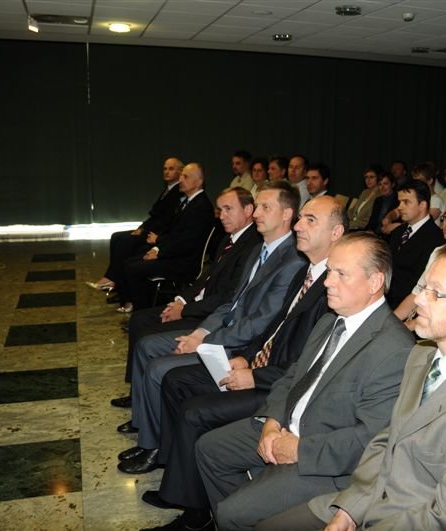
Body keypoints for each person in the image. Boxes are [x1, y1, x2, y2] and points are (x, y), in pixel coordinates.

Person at [258, 244, 446, 531]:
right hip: (368, 502)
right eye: (424, 288)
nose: (419, 300)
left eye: (436, 293)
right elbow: (387, 441)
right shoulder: (422, 358)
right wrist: (349, 511)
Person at [139, 196, 346, 531]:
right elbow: (271, 327)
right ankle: (182, 485)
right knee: (178, 382)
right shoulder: (305, 272)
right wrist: (245, 356)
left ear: (336, 233)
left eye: (310, 220)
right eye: (300, 218)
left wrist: (256, 375)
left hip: (276, 384)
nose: (297, 226)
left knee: (194, 411)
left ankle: (196, 513)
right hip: (261, 365)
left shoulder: (333, 289)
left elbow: (308, 365)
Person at [195, 233, 414, 530]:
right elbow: (292, 376)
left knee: (232, 513)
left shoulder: (395, 349)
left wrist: (299, 449)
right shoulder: (330, 321)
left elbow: (369, 441)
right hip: (286, 426)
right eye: (329, 271)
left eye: (341, 274)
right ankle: (251, 510)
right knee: (208, 449)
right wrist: (272, 421)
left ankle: (245, 513)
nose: (327, 282)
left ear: (374, 282)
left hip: (325, 461)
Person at [116, 181, 307, 473]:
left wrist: (206, 342)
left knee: (158, 370)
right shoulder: (259, 250)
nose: (256, 213)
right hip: (223, 332)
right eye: (257, 206)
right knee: (148, 346)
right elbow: (231, 303)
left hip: (242, 346)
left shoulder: (291, 260)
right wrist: (200, 333)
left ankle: (156, 448)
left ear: (286, 214)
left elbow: (261, 322)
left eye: (265, 207)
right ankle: (149, 436)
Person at [110, 187, 261, 408]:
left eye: (228, 209)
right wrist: (180, 300)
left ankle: (141, 398)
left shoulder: (252, 245)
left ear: (248, 210)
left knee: (145, 335)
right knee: (139, 320)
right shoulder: (229, 238)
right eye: (220, 210)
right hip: (198, 305)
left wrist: (185, 310)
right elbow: (205, 277)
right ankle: (138, 392)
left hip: (209, 314)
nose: (222, 216)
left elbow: (227, 298)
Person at [118, 162, 215, 313]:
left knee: (133, 268)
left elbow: (187, 242)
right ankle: (140, 307)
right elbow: (174, 233)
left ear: (198, 182)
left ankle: (142, 313)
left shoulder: (201, 207)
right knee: (129, 262)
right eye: (181, 176)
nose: (180, 180)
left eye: (185, 177)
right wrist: (157, 249)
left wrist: (159, 253)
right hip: (175, 255)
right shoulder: (189, 202)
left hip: (185, 262)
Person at [88, 157, 184, 291]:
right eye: (165, 168)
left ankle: (111, 279)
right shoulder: (167, 190)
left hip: (158, 233)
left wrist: (144, 231)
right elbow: (154, 215)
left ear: (180, 172)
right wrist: (141, 227)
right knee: (116, 236)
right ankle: (113, 280)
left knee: (125, 241)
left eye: (171, 169)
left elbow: (164, 221)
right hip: (150, 228)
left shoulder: (177, 192)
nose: (166, 172)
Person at [394, 193, 446, 324]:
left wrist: (409, 326)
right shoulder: (438, 251)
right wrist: (391, 323)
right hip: (419, 317)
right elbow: (417, 292)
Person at [386, 180, 445, 309]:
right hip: (385, 297)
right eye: (399, 202)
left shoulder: (436, 238)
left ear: (422, 205)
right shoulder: (398, 231)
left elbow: (419, 283)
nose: (400, 207)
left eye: (406, 202)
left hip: (408, 304)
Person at [346, 164, 381, 231]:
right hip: (352, 223)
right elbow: (353, 210)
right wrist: (343, 218)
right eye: (366, 177)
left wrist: (349, 224)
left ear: (378, 178)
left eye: (371, 177)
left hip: (361, 228)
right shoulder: (365, 192)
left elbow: (368, 221)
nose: (368, 180)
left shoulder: (380, 196)